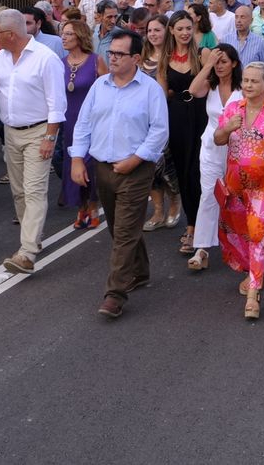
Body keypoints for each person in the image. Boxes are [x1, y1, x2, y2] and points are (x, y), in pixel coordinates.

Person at [70, 29, 170, 319]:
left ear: (136, 58)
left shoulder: (150, 89)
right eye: (110, 52)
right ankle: (139, 271)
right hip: (103, 168)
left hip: (136, 170)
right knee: (118, 228)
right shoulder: (99, 86)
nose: (112, 58)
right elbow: (83, 124)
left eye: (119, 54)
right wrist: (77, 159)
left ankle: (115, 294)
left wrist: (135, 159)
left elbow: (159, 131)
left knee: (125, 232)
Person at [0, 9, 67, 276]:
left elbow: (57, 104)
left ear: (10, 34)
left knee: (34, 190)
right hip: (11, 133)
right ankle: (32, 236)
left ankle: (27, 252)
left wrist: (50, 137)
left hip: (39, 132)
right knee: (19, 191)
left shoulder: (45, 58)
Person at [212, 62, 264, 320]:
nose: (248, 85)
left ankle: (254, 294)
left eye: (254, 81)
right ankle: (252, 273)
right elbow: (218, 139)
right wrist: (227, 128)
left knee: (258, 234)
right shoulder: (232, 110)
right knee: (237, 232)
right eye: (246, 80)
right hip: (235, 186)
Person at [186, 43, 243, 272]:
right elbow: (192, 90)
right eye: (216, 62)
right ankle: (202, 249)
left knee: (236, 197)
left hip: (237, 149)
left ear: (234, 64)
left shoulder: (243, 88)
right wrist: (207, 64)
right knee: (209, 194)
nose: (219, 66)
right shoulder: (209, 85)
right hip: (211, 147)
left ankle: (238, 245)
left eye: (223, 62)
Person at [160, 11, 210, 253]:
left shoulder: (203, 54)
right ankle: (192, 224)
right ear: (171, 30)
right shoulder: (165, 58)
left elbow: (206, 87)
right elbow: (162, 95)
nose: (185, 33)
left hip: (200, 117)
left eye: (188, 28)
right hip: (176, 119)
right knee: (183, 173)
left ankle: (199, 226)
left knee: (197, 173)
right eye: (180, 28)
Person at [54, 17, 103, 229]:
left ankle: (93, 206)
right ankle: (81, 206)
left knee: (90, 164)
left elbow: (107, 88)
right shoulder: (59, 63)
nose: (63, 38)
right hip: (69, 121)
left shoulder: (96, 61)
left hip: (92, 120)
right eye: (62, 34)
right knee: (72, 163)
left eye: (68, 34)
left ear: (80, 36)